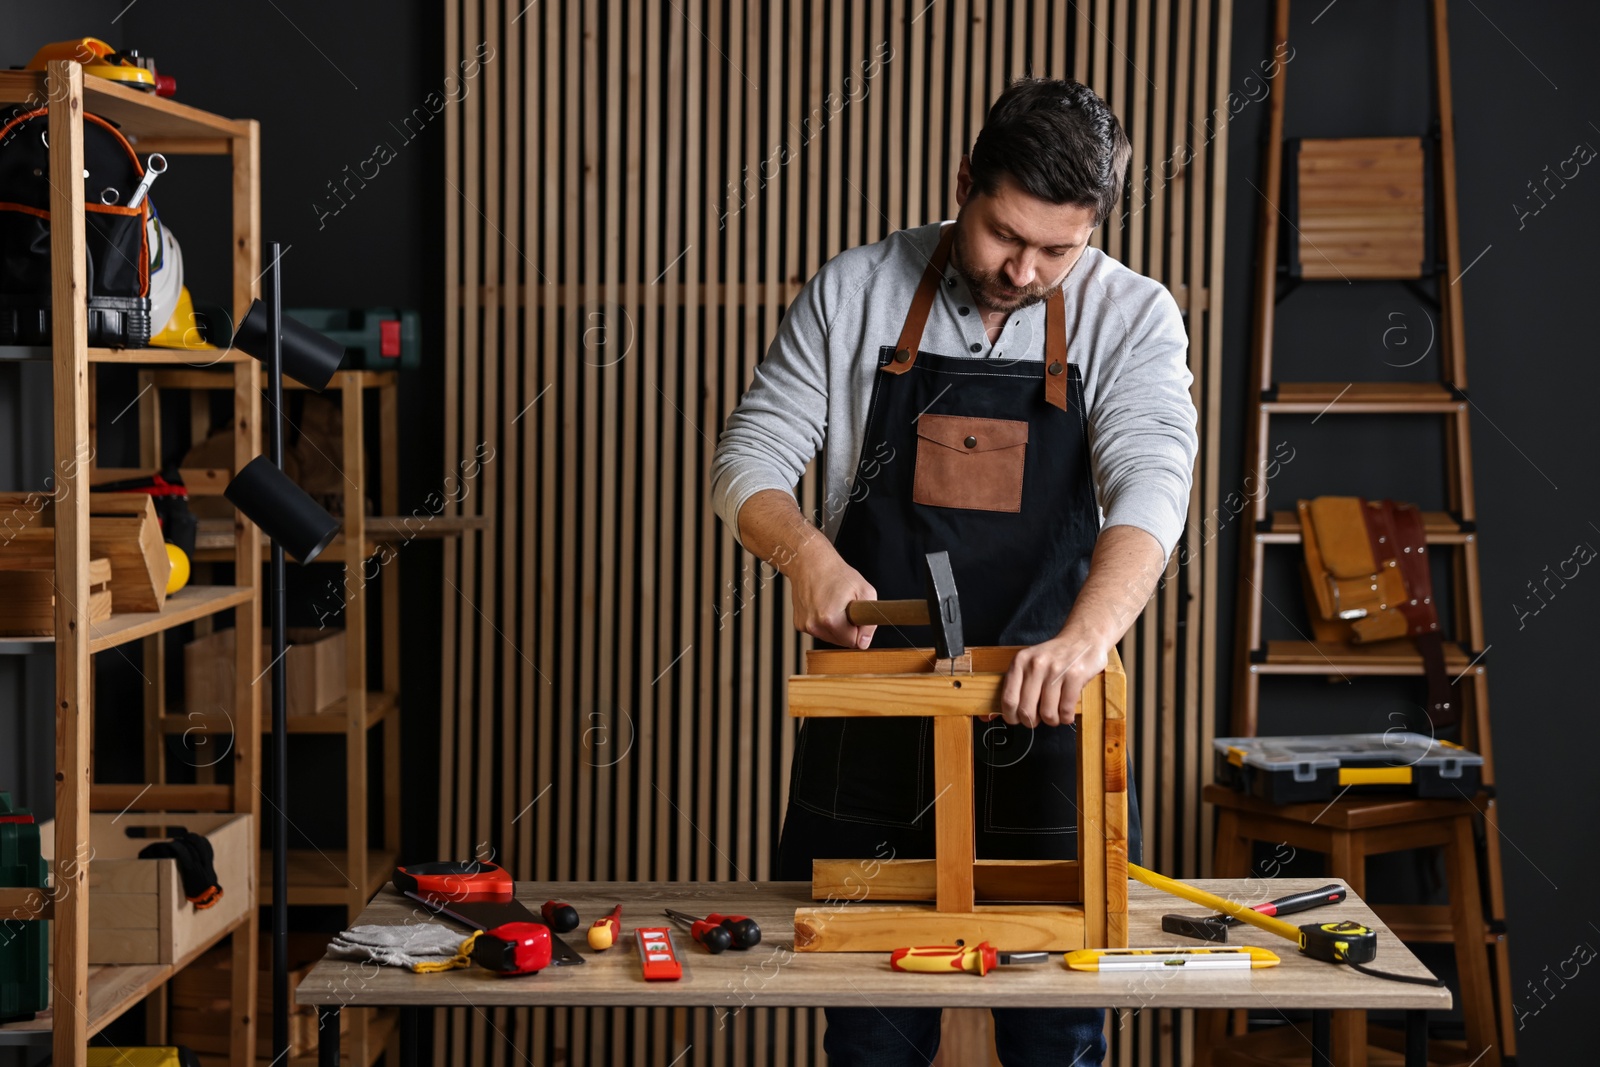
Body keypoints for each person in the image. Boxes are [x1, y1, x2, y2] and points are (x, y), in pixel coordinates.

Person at [710, 77, 1197, 1066]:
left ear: (1095, 226)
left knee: (1057, 1033)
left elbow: (1152, 489)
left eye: (1056, 248)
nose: (1021, 268)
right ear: (962, 180)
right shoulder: (857, 289)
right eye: (1001, 233)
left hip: (1050, 721)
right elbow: (748, 460)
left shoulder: (1130, 315)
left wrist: (1083, 639)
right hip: (879, 714)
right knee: (870, 1034)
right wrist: (803, 550)